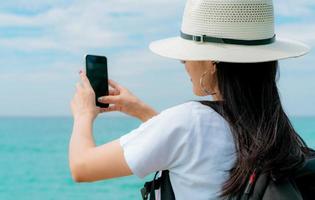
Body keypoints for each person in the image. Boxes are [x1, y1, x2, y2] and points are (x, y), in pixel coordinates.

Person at [69, 0, 311, 199]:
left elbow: (82, 167)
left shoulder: (188, 122)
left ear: (212, 62)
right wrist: (141, 111)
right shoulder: (272, 129)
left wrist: (83, 115)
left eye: (186, 57)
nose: (184, 64)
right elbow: (196, 146)